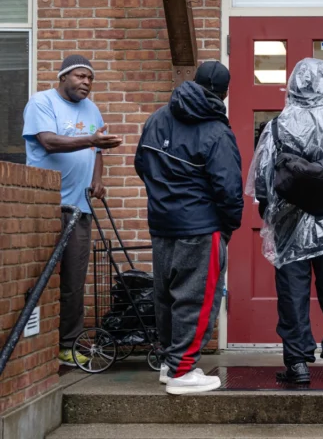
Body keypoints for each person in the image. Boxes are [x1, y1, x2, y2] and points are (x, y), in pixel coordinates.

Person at [246, 58, 323, 384]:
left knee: (292, 294)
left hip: (288, 225)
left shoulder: (276, 127)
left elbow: (262, 181)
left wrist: (271, 217)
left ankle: (298, 364)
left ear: (294, 84)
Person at [134, 60, 244, 395]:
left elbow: (142, 165)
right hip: (200, 227)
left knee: (166, 296)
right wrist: (226, 227)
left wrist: (164, 200)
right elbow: (229, 191)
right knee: (195, 299)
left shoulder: (156, 119)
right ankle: (183, 372)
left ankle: (171, 364)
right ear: (223, 94)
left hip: (162, 224)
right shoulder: (216, 131)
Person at [22, 54, 123, 367]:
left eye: (90, 78)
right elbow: (49, 142)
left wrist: (98, 179)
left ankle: (68, 347)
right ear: (63, 76)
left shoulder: (91, 109)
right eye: (80, 76)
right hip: (45, 206)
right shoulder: (41, 103)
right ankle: (32, 346)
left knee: (74, 282)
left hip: (79, 208)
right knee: (37, 279)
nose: (86, 83)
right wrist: (91, 140)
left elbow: (96, 149)